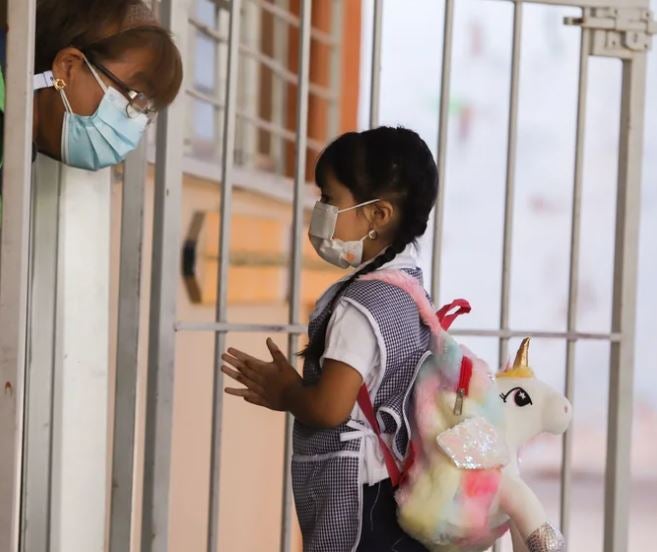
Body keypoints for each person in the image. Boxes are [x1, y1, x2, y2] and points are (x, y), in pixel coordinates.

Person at [221, 126, 439, 551]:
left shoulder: (362, 305)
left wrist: (287, 392)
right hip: (395, 489)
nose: (320, 209)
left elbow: (329, 408)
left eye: (329, 199)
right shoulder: (407, 286)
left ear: (378, 215)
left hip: (361, 502)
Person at [0, 0, 182, 172]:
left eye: (145, 111)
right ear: (68, 67)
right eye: (133, 98)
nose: (135, 123)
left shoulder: (12, 157)